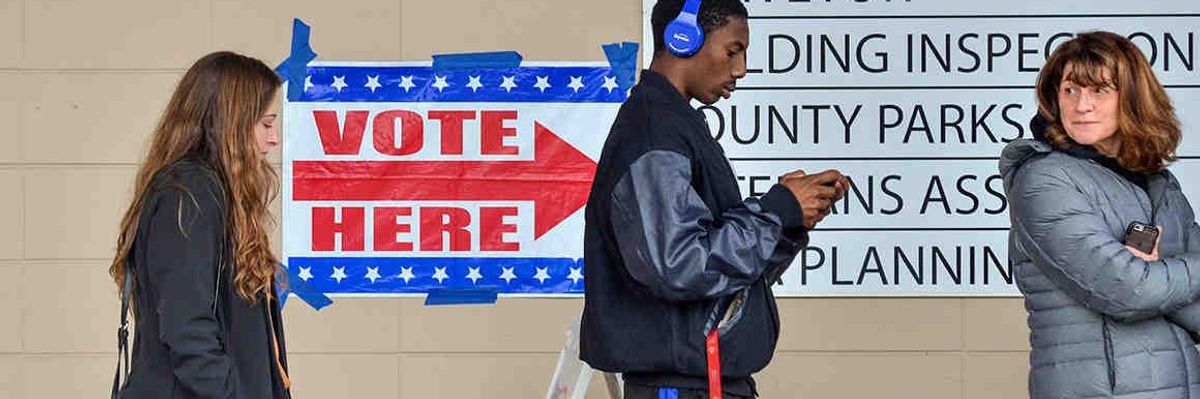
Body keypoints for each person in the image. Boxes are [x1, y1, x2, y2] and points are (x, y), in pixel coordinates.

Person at [579, 0, 848, 397]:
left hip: (709, 384)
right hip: (682, 388)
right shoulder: (654, 132)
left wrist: (788, 220)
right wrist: (776, 210)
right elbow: (679, 263)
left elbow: (725, 280)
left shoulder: (676, 125)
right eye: (733, 50)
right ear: (682, 38)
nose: (741, 69)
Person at [1002, 31, 1200, 398]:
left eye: (1099, 91)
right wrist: (1163, 277)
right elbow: (1129, 291)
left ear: (1134, 99)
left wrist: (1160, 278)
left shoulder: (1159, 183)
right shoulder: (1043, 179)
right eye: (1070, 91)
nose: (1081, 105)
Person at [109, 51, 291, 398]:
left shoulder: (210, 192)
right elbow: (187, 326)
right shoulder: (189, 193)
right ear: (231, 123)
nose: (274, 139)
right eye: (266, 124)